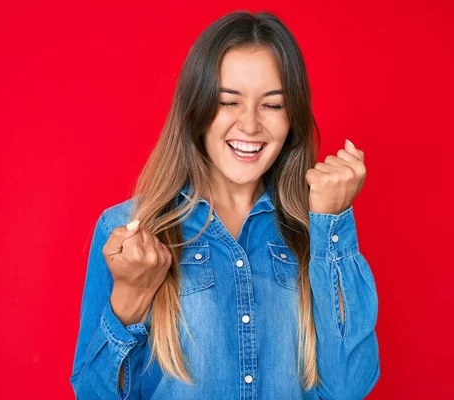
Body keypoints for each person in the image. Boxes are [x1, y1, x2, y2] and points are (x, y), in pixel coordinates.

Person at [70, 10, 380, 400]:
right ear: (196, 110)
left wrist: (331, 226)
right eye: (228, 102)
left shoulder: (313, 231)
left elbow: (350, 388)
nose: (249, 126)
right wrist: (130, 299)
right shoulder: (128, 229)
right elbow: (94, 395)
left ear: (292, 120)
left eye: (272, 105)